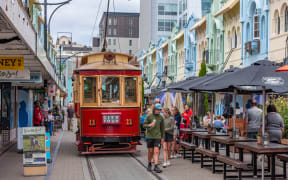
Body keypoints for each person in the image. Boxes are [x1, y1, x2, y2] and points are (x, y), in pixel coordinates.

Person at [143, 103, 165, 173]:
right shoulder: (149, 116)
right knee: (150, 151)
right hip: (150, 136)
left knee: (156, 151)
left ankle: (156, 166)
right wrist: (150, 125)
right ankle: (149, 163)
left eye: (160, 110)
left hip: (157, 136)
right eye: (158, 110)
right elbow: (144, 125)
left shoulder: (161, 117)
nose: (159, 111)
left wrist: (162, 138)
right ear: (154, 109)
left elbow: (162, 128)